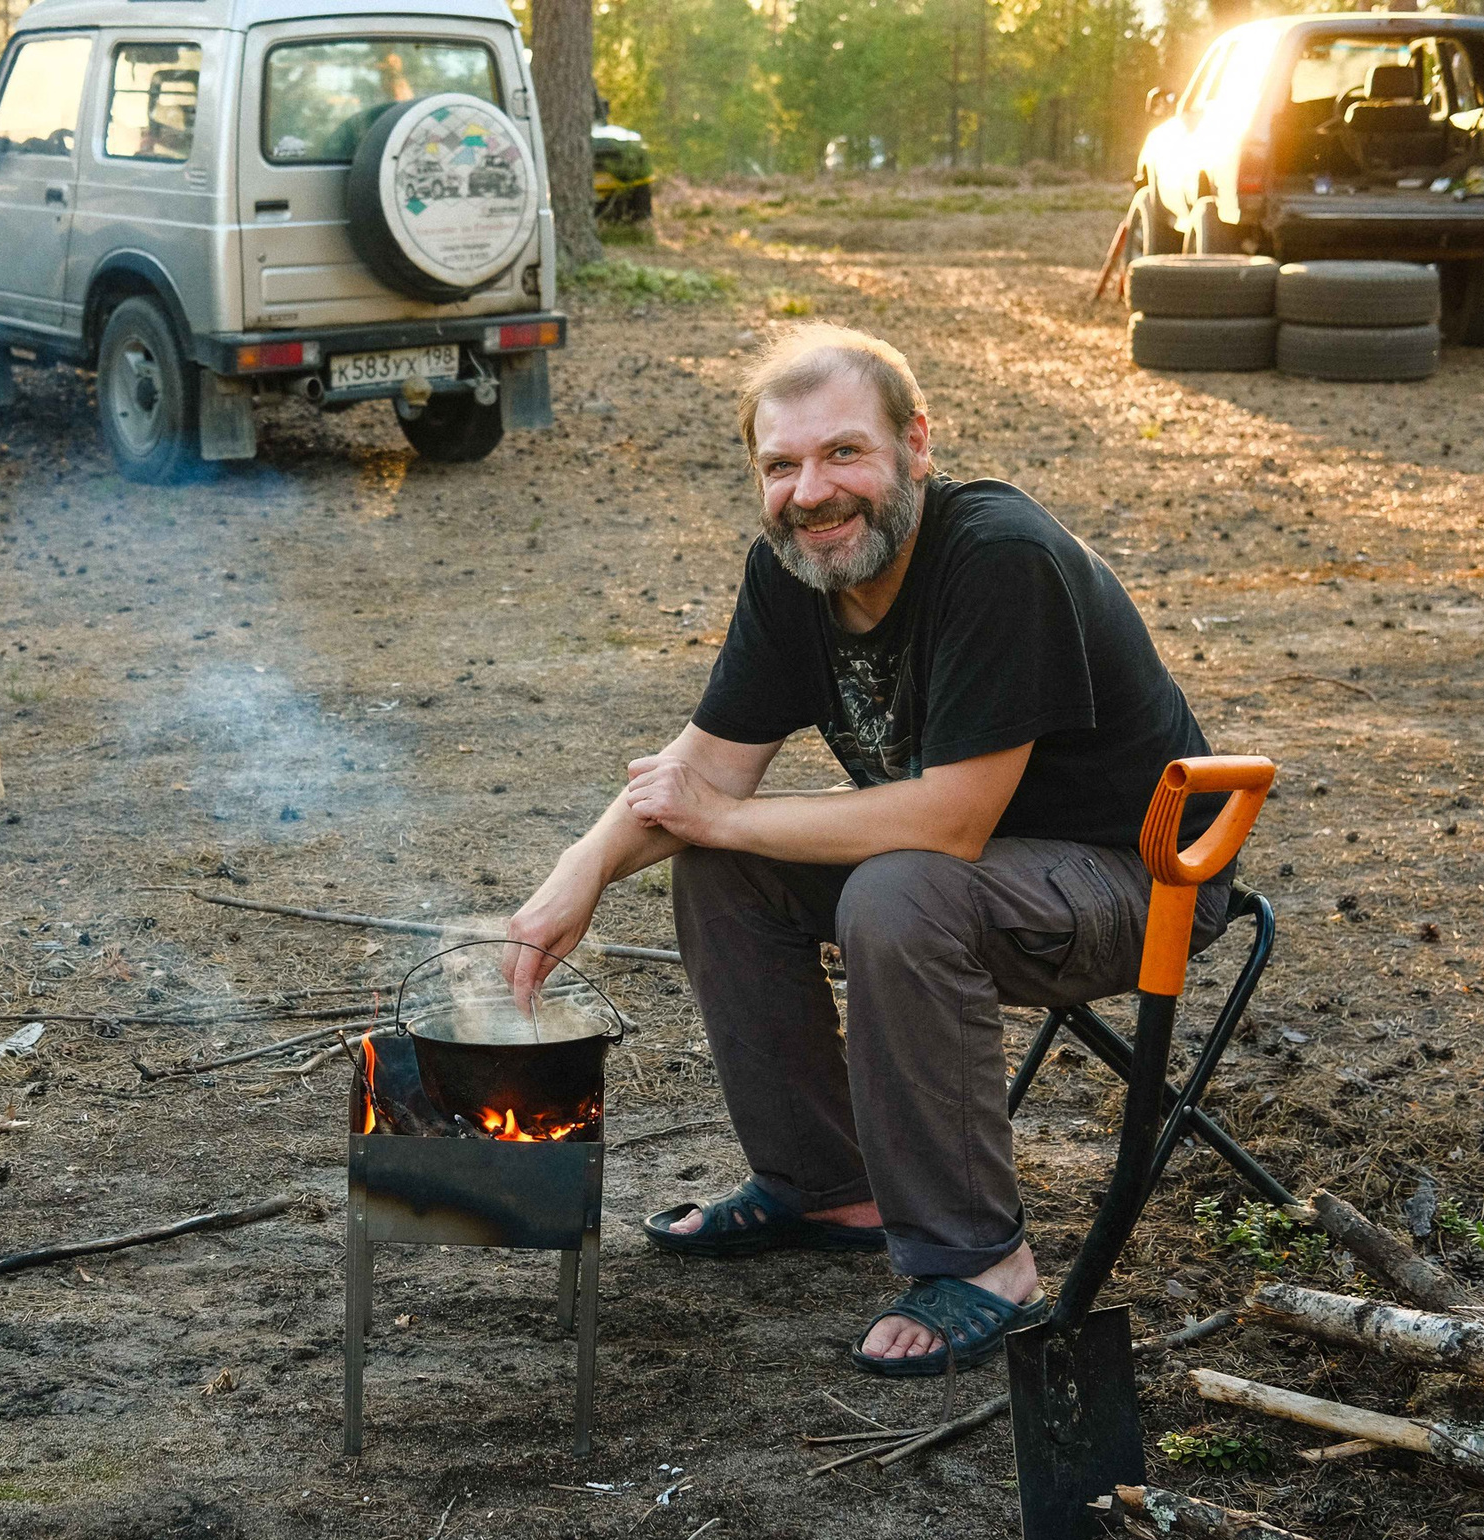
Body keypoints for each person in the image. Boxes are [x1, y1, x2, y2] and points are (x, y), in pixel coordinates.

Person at [503, 323, 1230, 1379]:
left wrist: (720, 817)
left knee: (895, 892)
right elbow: (705, 772)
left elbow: (950, 822)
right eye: (781, 466)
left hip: (1139, 872)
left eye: (843, 453)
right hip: (970, 867)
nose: (812, 492)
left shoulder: (997, 556)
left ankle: (983, 1261)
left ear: (915, 448)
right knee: (722, 868)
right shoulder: (792, 575)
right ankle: (824, 1187)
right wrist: (574, 878)